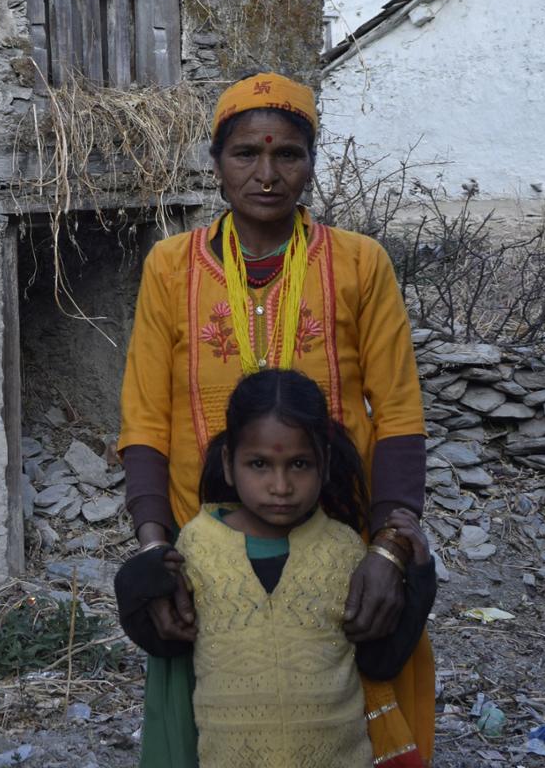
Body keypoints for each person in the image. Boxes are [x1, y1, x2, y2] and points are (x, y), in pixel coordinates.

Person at [115, 71, 437, 767]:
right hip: (205, 560)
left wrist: (387, 548)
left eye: (287, 154)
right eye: (246, 155)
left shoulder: (360, 265)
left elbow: (401, 411)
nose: (267, 174)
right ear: (216, 164)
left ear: (312, 165)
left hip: (341, 548)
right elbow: (142, 416)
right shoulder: (171, 268)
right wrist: (153, 552)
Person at [115, 369, 436, 768]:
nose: (280, 486)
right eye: (259, 464)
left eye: (299, 464)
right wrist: (134, 579)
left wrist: (420, 579)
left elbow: (379, 662)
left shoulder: (344, 549)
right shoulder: (198, 547)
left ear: (326, 463)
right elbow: (163, 642)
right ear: (229, 464)